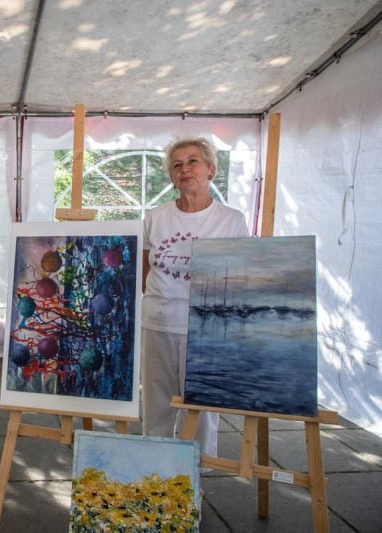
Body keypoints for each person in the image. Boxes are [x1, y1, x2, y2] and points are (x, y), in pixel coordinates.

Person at [141, 137, 250, 460]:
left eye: (193, 162)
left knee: (202, 409)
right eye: (177, 165)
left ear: (211, 170)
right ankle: (157, 469)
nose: (184, 169)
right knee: (157, 405)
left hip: (207, 328)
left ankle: (196, 473)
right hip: (158, 323)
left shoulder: (231, 220)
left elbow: (241, 275)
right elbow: (143, 268)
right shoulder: (155, 218)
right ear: (172, 176)